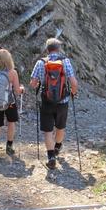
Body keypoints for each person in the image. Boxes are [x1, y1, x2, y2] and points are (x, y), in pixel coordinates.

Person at [30, 38, 78, 169]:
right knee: (60, 127)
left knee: (48, 130)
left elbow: (33, 84)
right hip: (63, 101)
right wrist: (73, 93)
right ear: (58, 49)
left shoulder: (40, 63)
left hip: (46, 101)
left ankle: (51, 157)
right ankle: (57, 146)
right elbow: (74, 83)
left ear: (47, 49)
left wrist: (39, 84)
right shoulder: (65, 61)